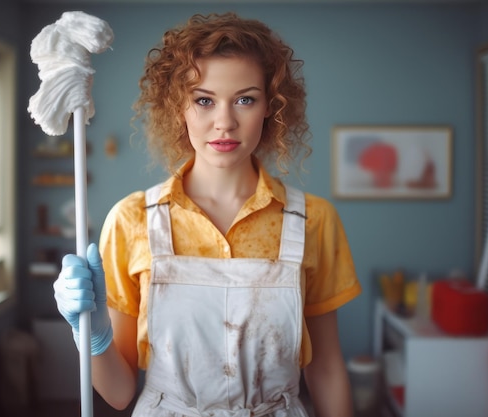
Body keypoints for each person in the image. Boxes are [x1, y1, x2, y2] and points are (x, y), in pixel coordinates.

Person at [54, 12, 362, 417]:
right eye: (204, 100)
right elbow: (119, 392)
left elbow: (325, 368)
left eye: (245, 100)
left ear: (271, 106)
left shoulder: (314, 220)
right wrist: (91, 336)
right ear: (178, 107)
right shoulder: (132, 220)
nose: (225, 123)